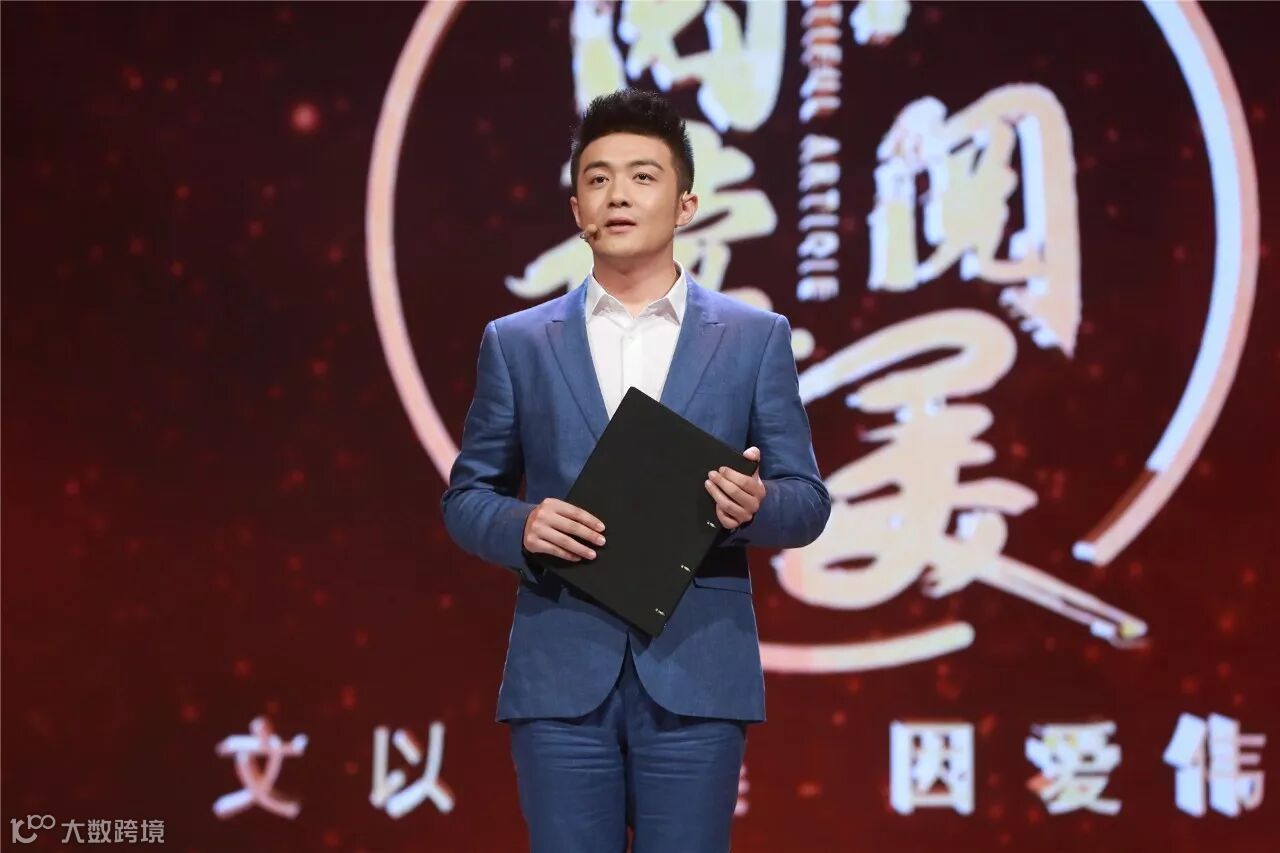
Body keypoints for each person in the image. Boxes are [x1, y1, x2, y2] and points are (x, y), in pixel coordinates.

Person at [441, 88, 830, 853]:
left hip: (697, 673)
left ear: (686, 205)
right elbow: (466, 498)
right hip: (560, 675)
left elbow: (808, 501)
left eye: (643, 176)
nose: (618, 194)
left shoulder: (753, 338)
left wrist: (753, 504)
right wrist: (524, 523)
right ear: (576, 208)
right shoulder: (518, 343)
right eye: (598, 178)